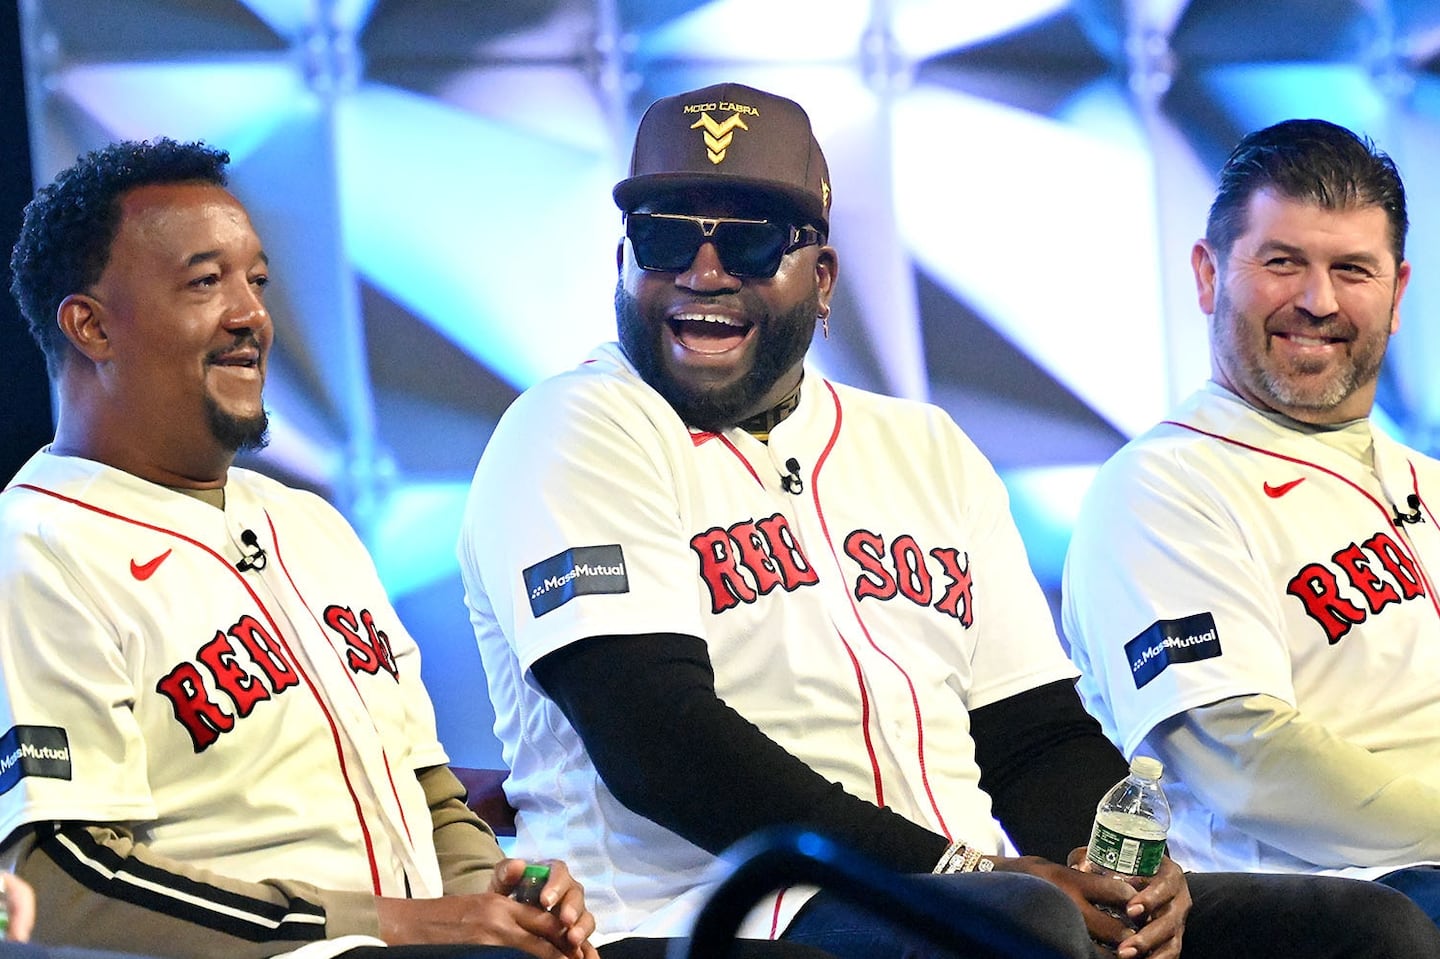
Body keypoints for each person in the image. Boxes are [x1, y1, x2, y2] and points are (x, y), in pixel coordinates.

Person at [458, 84, 1440, 959]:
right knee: (1023, 926)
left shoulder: (921, 446)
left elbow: (1035, 736)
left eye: (753, 241)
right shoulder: (576, 424)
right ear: (623, 258)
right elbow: (659, 742)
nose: (705, 271)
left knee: (1370, 931)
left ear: (824, 278)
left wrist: (1126, 873)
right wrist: (963, 874)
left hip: (957, 901)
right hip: (690, 912)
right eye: (670, 237)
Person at [0, 138, 607, 959]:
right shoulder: (37, 549)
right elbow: (53, 880)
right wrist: (388, 923)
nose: (251, 314)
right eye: (206, 281)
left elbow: (427, 790)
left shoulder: (311, 525)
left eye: (257, 281)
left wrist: (494, 898)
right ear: (92, 325)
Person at [1060, 118, 1440, 925]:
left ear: (1399, 293)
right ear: (1207, 274)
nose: (1318, 300)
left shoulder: (1425, 481)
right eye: (1281, 262)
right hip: (1342, 900)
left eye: (1352, 269)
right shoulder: (1162, 487)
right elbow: (1247, 760)